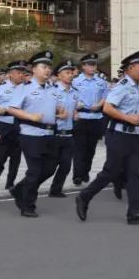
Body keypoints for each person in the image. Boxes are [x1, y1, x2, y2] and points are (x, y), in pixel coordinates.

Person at [74, 51, 139, 225]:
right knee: (111, 172)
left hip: (134, 135)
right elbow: (108, 108)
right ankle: (84, 197)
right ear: (129, 69)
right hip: (118, 135)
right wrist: (128, 118)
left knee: (134, 174)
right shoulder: (123, 86)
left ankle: (135, 213)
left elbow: (137, 111)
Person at [6, 51, 60, 217]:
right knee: (35, 170)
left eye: (49, 67)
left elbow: (51, 107)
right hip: (31, 134)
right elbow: (11, 109)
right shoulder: (25, 88)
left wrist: (60, 112)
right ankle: (27, 205)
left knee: (50, 168)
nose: (47, 70)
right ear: (34, 69)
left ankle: (19, 189)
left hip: (49, 134)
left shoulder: (52, 88)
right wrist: (30, 116)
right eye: (43, 66)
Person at [0, 60, 27, 189]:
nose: (21, 75)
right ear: (10, 74)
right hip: (3, 125)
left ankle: (10, 183)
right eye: (18, 72)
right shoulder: (0, 88)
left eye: (23, 73)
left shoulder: (27, 88)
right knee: (0, 155)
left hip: (19, 125)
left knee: (16, 156)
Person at [71, 53, 108, 186]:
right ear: (83, 66)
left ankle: (85, 171)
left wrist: (99, 104)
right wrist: (76, 105)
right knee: (79, 148)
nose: (93, 67)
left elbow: (105, 96)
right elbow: (70, 97)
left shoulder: (101, 82)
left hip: (96, 117)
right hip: (81, 117)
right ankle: (77, 175)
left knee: (91, 149)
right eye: (90, 65)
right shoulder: (75, 81)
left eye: (94, 65)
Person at [47, 59, 79, 197]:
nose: (70, 75)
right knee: (49, 167)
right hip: (54, 133)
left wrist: (75, 115)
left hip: (69, 134)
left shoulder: (74, 92)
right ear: (59, 75)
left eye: (71, 72)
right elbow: (44, 113)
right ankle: (25, 187)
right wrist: (58, 115)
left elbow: (74, 110)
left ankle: (56, 189)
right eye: (67, 72)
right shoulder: (51, 91)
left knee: (66, 165)